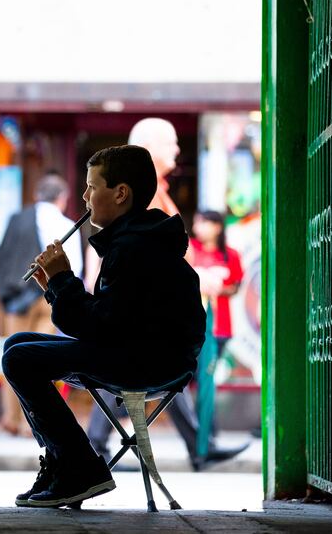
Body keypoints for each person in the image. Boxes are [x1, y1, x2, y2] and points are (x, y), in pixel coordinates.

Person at [2, 145, 206, 508]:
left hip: (147, 361)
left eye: (91, 187)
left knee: (20, 359)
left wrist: (63, 280)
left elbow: (98, 328)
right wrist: (54, 285)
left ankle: (78, 467)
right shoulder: (135, 241)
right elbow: (109, 321)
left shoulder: (134, 248)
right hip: (145, 354)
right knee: (15, 345)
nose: (84, 197)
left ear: (120, 193)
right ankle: (62, 463)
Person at [85, 118, 249, 471]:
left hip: (153, 329)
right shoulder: (140, 199)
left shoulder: (153, 194)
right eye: (171, 142)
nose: (178, 149)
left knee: (137, 362)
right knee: (128, 361)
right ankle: (97, 447)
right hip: (145, 325)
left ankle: (191, 447)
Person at [0, 172, 83, 436]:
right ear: (63, 198)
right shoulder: (66, 224)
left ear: (36, 195)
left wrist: (5, 293)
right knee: (41, 362)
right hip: (48, 298)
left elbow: (2, 255)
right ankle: (31, 423)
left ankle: (10, 418)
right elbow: (74, 267)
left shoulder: (16, 220)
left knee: (12, 356)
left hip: (16, 299)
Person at [189, 210, 244, 356]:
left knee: (208, 374)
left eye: (202, 222)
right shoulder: (189, 249)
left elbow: (236, 287)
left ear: (217, 227)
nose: (196, 228)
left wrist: (216, 290)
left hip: (220, 327)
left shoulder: (231, 255)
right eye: (196, 223)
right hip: (190, 326)